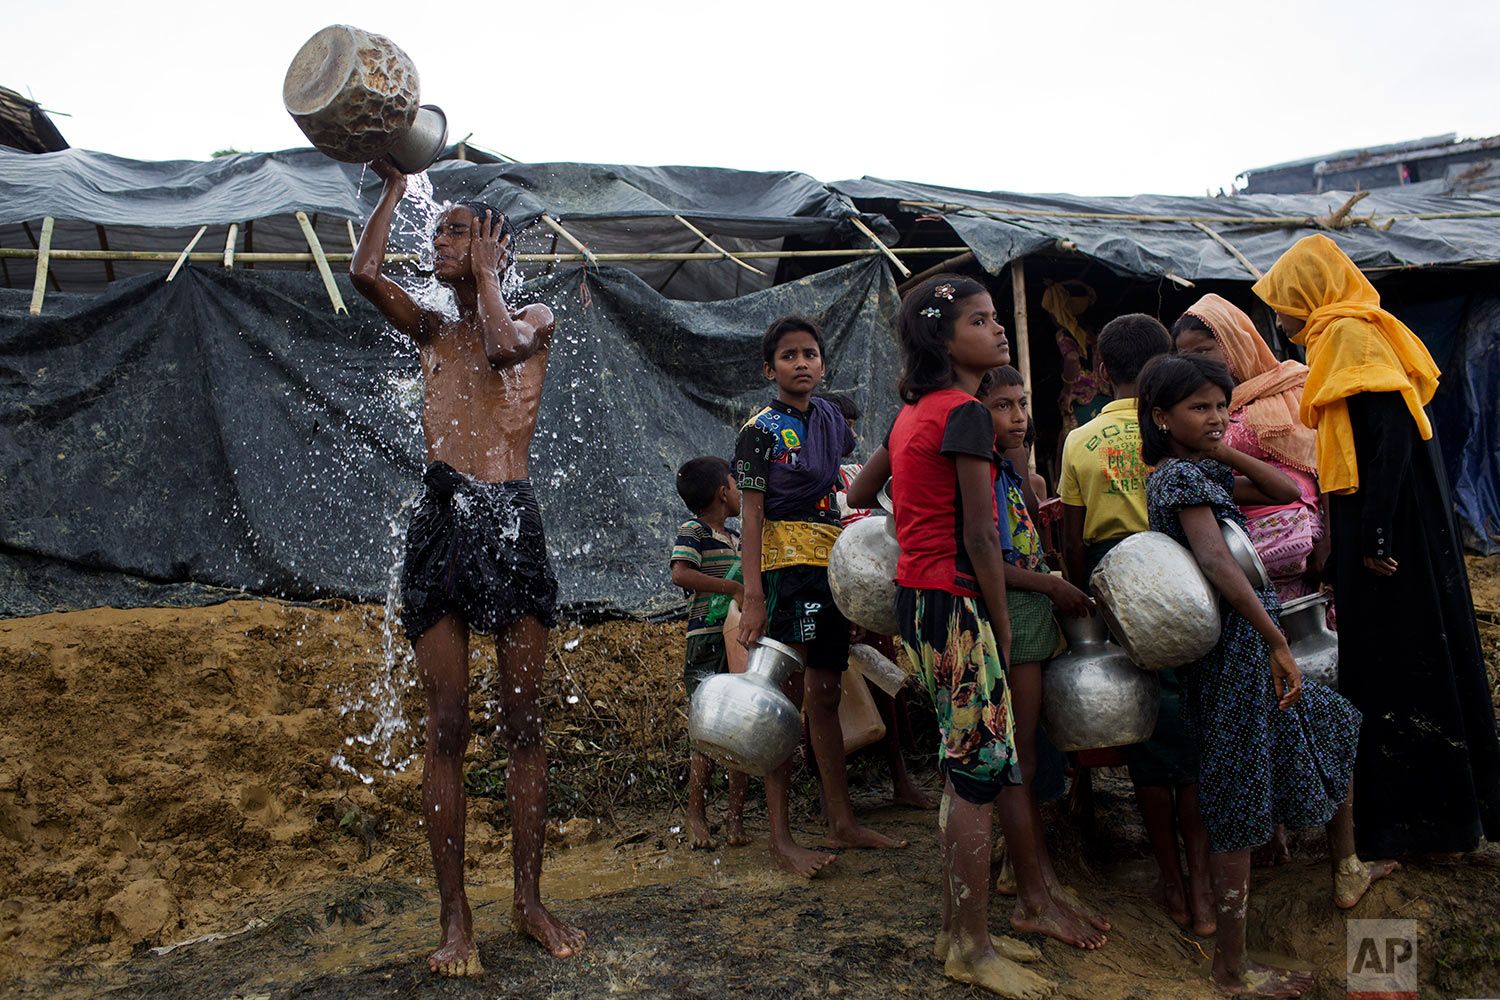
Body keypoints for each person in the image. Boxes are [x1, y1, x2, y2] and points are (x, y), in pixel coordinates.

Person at [349, 160, 584, 973]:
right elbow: (364, 272)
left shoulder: (530, 312)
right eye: (437, 228)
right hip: (444, 518)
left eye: (457, 230)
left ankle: (529, 901)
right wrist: (389, 189)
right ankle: (457, 924)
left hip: (509, 518)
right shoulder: (428, 330)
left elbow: (505, 345)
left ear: (495, 245)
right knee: (448, 725)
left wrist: (489, 276)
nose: (438, 241)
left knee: (523, 724)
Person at [1138, 353, 1397, 997]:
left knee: (1331, 729)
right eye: (1199, 407)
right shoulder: (1177, 479)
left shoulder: (1198, 472)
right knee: (1236, 797)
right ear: (1160, 418)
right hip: (1235, 655)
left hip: (1243, 652)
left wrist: (1225, 450)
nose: (1216, 416)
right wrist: (1277, 640)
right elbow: (1218, 564)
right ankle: (1232, 968)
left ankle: (1346, 867)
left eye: (1222, 405)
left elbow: (1285, 492)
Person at [1252, 234, 1500, 858]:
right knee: (1413, 655)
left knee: (1401, 658)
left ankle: (1419, 822)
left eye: (1283, 304)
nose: (1280, 319)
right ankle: (1430, 817)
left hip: (1391, 525)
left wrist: (1377, 534)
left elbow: (1386, 432)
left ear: (1310, 296)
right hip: (1390, 516)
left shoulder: (1346, 335)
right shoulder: (1354, 332)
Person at [877, 273, 1072, 998]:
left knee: (969, 765)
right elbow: (984, 537)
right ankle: (970, 947)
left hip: (917, 599)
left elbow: (877, 496)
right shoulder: (964, 412)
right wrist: (997, 621)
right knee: (978, 771)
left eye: (997, 318)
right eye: (981, 321)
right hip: (955, 602)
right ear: (942, 336)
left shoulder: (914, 412)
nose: (997, 331)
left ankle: (962, 931)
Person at [734, 315, 907, 879]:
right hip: (786, 568)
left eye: (810, 353)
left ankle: (841, 821)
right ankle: (780, 838)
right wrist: (753, 593)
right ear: (770, 369)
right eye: (789, 355)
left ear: (823, 364)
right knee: (781, 700)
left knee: (827, 692)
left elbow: (849, 488)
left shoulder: (833, 419)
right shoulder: (759, 430)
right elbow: (751, 513)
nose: (801, 362)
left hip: (829, 565)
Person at [981, 366, 1110, 942]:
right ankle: (1033, 879)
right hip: (1017, 612)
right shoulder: (980, 475)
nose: (1018, 416)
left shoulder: (1010, 473)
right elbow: (989, 561)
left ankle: (1029, 869)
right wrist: (1054, 585)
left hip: (1031, 610)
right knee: (1021, 755)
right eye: (1004, 405)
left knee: (1027, 752)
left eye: (1022, 403)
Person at [818, 391, 933, 810]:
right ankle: (834, 795)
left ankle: (900, 782)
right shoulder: (812, 484)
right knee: (829, 698)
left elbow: (882, 532)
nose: (849, 432)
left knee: (888, 693)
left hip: (874, 602)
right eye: (841, 424)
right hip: (832, 602)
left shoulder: (856, 476)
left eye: (851, 424)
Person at [1172, 295, 1328, 604]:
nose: (1195, 362)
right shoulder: (1195, 409)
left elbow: (1326, 467)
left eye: (1204, 350)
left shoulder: (1292, 387)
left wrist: (1329, 545)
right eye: (1184, 354)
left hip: (1306, 544)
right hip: (1240, 554)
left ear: (1233, 343)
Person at [669, 456, 749, 849]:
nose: (739, 491)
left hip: (737, 640)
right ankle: (697, 816)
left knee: (738, 730)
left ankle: (735, 821)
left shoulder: (736, 538)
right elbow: (680, 573)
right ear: (723, 492)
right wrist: (731, 589)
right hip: (705, 639)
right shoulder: (694, 531)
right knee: (705, 730)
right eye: (735, 484)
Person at [1057, 313, 1172, 586]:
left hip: (1109, 571)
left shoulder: (1077, 439)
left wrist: (1084, 596)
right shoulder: (1176, 427)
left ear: (1104, 372)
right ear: (1166, 366)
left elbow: (1072, 541)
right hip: (1176, 562)